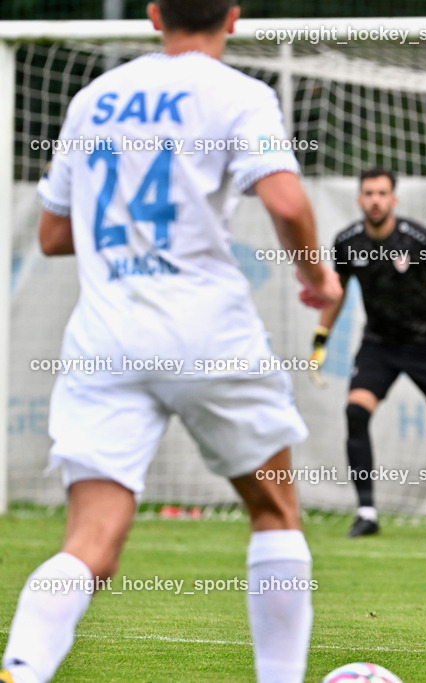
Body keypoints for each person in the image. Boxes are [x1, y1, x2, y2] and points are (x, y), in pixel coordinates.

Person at [0, 1, 342, 682]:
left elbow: (53, 234)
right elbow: (284, 200)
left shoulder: (94, 100)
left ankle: (21, 667)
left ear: (154, 14)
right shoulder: (240, 94)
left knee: (90, 541)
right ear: (233, 17)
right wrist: (317, 278)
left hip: (107, 336)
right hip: (206, 329)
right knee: (274, 510)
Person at [311, 168, 426, 539]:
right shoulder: (347, 242)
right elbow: (337, 292)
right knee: (355, 412)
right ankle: (366, 514)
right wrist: (320, 339)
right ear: (359, 199)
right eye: (369, 193)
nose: (375, 200)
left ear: (393, 199)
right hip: (380, 344)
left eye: (382, 193)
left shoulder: (419, 239)